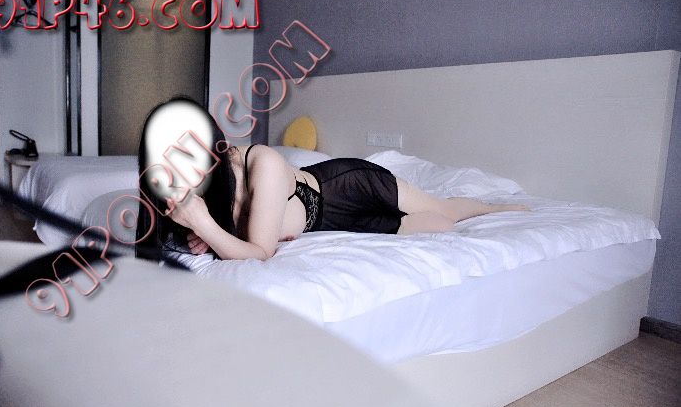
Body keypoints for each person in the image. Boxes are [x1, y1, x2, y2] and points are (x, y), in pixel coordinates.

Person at [136, 97, 528, 262]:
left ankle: (497, 207)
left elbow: (261, 252)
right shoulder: (201, 191)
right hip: (335, 224)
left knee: (445, 213)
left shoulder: (261, 163)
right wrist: (205, 230)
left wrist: (206, 226)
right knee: (438, 227)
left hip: (349, 187)